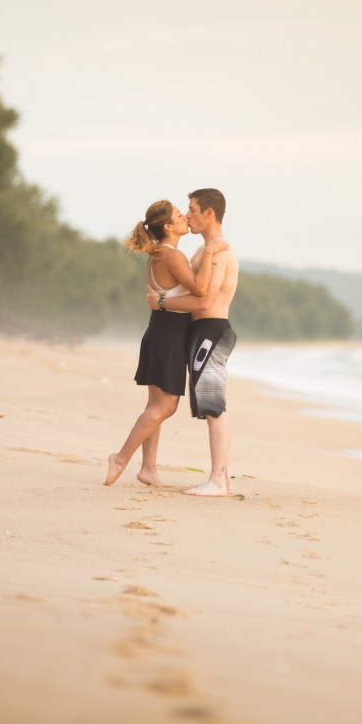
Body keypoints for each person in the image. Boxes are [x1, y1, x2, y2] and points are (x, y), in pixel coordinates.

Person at [104, 199, 227, 487]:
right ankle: (120, 458)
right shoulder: (172, 256)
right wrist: (210, 252)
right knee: (166, 406)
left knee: (154, 405)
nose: (185, 217)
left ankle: (148, 469)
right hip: (169, 336)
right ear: (169, 227)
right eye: (179, 215)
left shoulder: (158, 254)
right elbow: (200, 289)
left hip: (159, 331)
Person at [146, 188, 239, 496]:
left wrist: (160, 303)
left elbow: (203, 301)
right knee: (211, 404)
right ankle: (222, 480)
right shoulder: (204, 250)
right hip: (202, 332)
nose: (187, 216)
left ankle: (218, 480)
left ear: (209, 213)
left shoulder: (219, 251)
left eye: (193, 210)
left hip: (212, 330)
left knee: (213, 405)